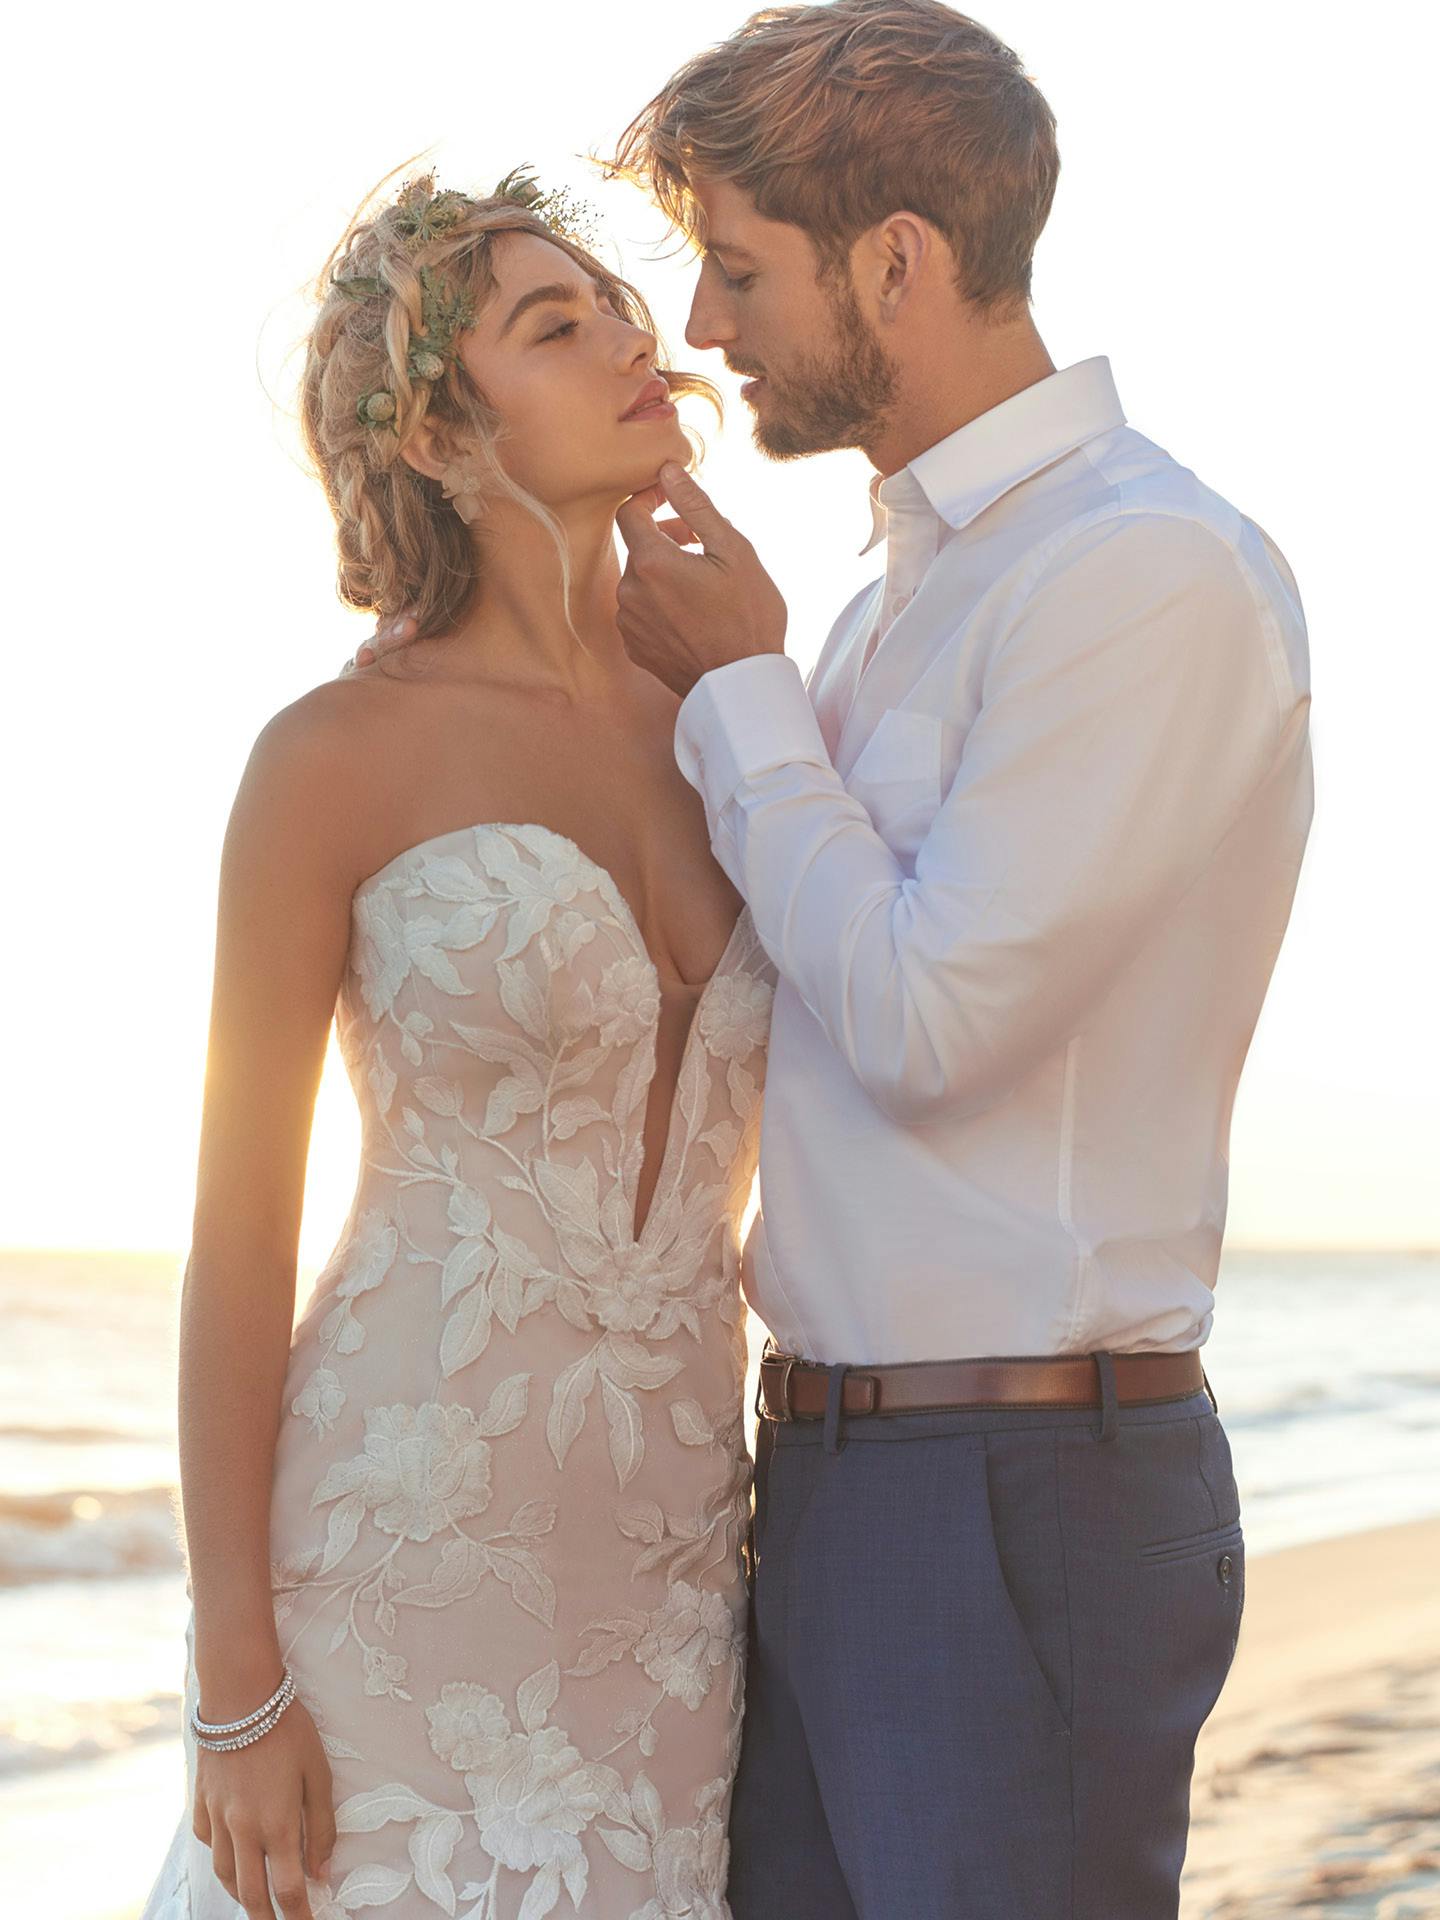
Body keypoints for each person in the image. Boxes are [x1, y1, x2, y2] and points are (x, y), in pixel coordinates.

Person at [363, 3, 1316, 1913]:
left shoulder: (1143, 573)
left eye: (736, 270)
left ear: (897, 260)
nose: (702, 332)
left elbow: (928, 1018)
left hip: (1012, 1482)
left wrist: (737, 698)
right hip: (830, 1482)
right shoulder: (895, 599)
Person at [140, 168, 777, 1920]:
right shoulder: (335, 757)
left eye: (618, 308)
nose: (631, 342)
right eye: (552, 326)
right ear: (431, 432)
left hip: (667, 1612)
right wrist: (236, 1673)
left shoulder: (734, 729)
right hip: (390, 1591)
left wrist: (766, 677)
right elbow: (240, 1239)